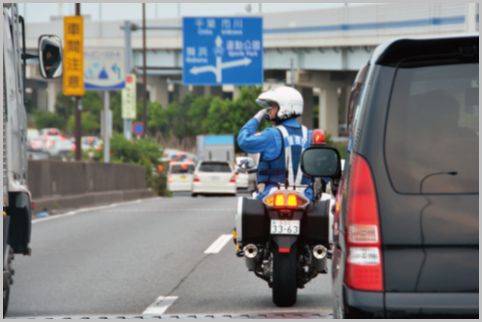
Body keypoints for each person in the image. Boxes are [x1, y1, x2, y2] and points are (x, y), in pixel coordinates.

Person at [237, 86, 314, 201]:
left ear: (284, 108)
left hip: (274, 194)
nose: (269, 110)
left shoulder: (272, 134)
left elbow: (244, 140)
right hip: (306, 196)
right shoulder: (310, 135)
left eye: (273, 106)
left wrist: (257, 118)